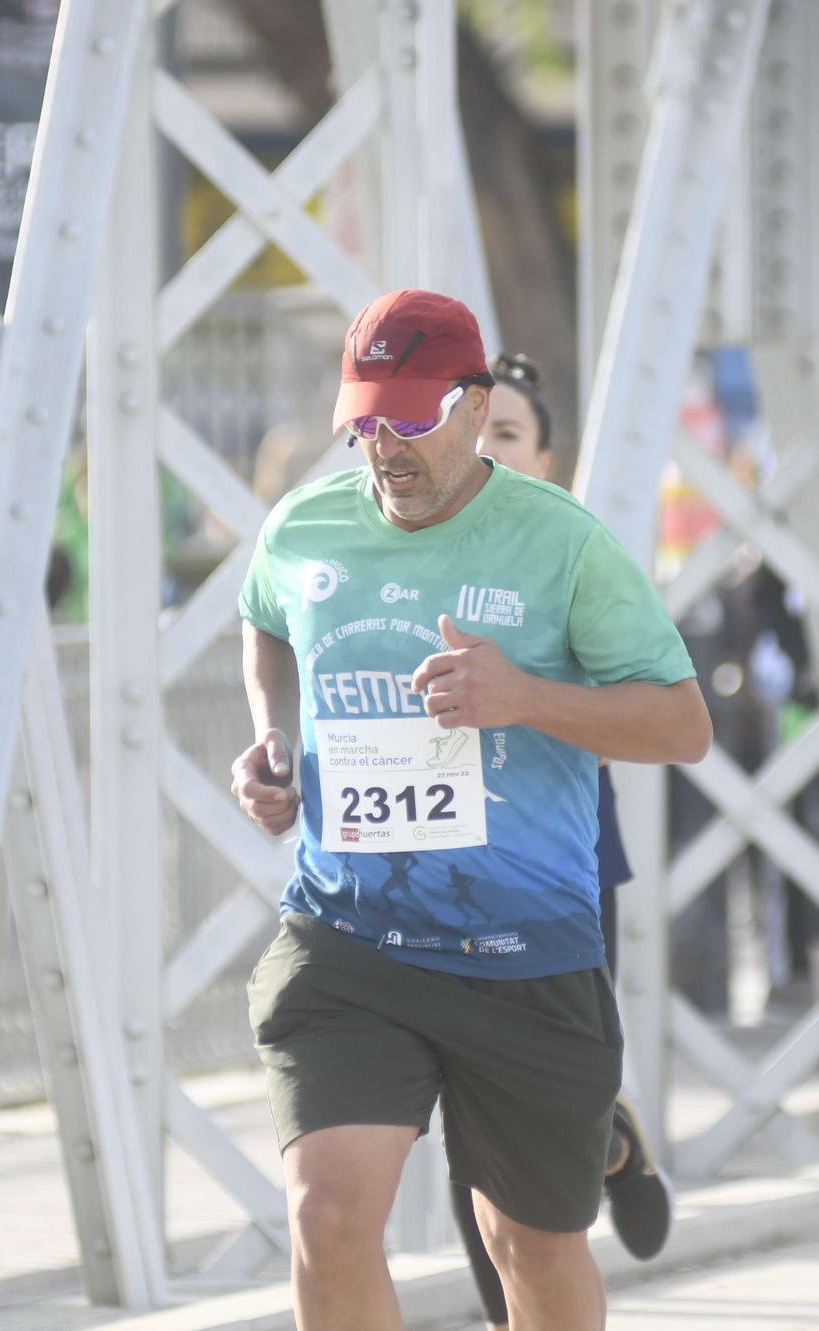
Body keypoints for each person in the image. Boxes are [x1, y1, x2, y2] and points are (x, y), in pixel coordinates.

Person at [231, 290, 711, 1331]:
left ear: (471, 404)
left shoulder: (562, 544)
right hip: (350, 937)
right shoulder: (304, 524)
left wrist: (524, 697)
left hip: (521, 950)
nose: (382, 447)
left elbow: (682, 725)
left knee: (526, 1245)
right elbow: (266, 622)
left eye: (407, 420)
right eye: (363, 420)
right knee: (326, 1211)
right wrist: (277, 739)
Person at [454, 351, 672, 1329]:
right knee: (473, 1135)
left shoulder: (576, 558)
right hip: (433, 878)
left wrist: (529, 696)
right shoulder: (402, 551)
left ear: (548, 459)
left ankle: (604, 1134)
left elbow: (661, 708)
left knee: (539, 1134)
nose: (486, 449)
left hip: (563, 869)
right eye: (473, 431)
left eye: (508, 434)